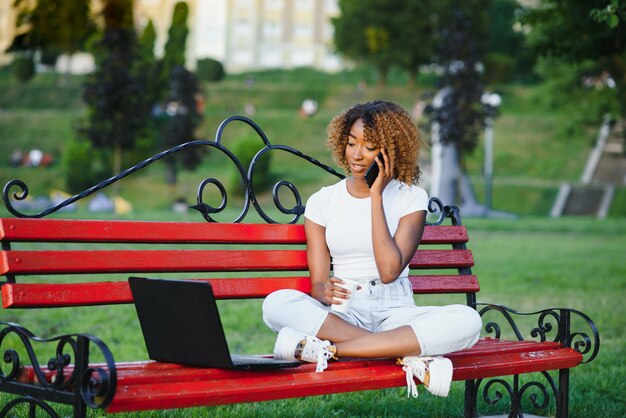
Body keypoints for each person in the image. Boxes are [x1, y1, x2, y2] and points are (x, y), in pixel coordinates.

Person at [262, 100, 482, 398]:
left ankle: (328, 351)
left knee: (468, 320)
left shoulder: (411, 198)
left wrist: (376, 196)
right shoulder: (323, 202)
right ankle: (403, 353)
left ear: (391, 151)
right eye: (352, 143)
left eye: (369, 147)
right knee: (276, 303)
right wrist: (323, 290)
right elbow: (317, 283)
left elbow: (390, 271)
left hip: (397, 312)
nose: (356, 154)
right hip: (345, 314)